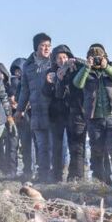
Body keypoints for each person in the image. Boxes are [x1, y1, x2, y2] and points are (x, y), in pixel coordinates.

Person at [73, 44, 112, 189]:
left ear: (105, 56)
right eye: (93, 57)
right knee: (97, 152)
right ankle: (101, 185)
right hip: (94, 117)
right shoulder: (85, 70)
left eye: (99, 57)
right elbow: (77, 83)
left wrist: (106, 67)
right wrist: (87, 67)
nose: (97, 60)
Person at [44, 44, 86, 182]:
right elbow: (48, 93)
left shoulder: (76, 69)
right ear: (54, 60)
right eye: (59, 58)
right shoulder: (50, 73)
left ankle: (76, 176)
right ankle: (56, 176)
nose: (62, 60)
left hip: (75, 112)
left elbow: (88, 65)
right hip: (56, 115)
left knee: (76, 146)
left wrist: (75, 61)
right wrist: (53, 82)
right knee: (57, 147)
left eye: (65, 57)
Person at [19, 33, 54, 182]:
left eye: (48, 45)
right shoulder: (28, 66)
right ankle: (44, 176)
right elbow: (24, 90)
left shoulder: (55, 62)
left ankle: (56, 175)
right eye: (42, 46)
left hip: (54, 111)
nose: (46, 49)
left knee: (55, 146)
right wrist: (19, 109)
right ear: (36, 48)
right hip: (37, 112)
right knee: (41, 146)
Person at [10, 58, 32, 179]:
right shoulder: (13, 83)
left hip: (25, 117)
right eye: (16, 70)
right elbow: (12, 98)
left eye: (20, 70)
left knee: (26, 145)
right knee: (13, 145)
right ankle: (13, 171)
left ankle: (28, 170)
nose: (18, 73)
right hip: (14, 117)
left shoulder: (27, 82)